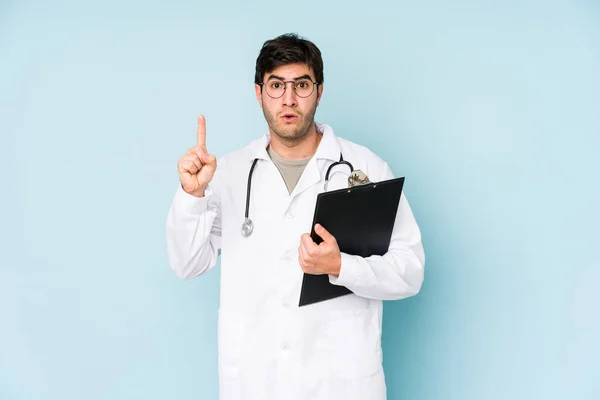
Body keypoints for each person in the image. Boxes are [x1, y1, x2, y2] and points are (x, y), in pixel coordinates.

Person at [165, 33, 425, 400]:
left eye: (301, 85)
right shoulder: (229, 173)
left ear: (319, 91)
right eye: (276, 85)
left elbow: (410, 271)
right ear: (259, 93)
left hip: (339, 385)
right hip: (255, 383)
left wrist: (341, 266)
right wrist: (193, 196)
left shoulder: (366, 168)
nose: (288, 99)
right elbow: (187, 263)